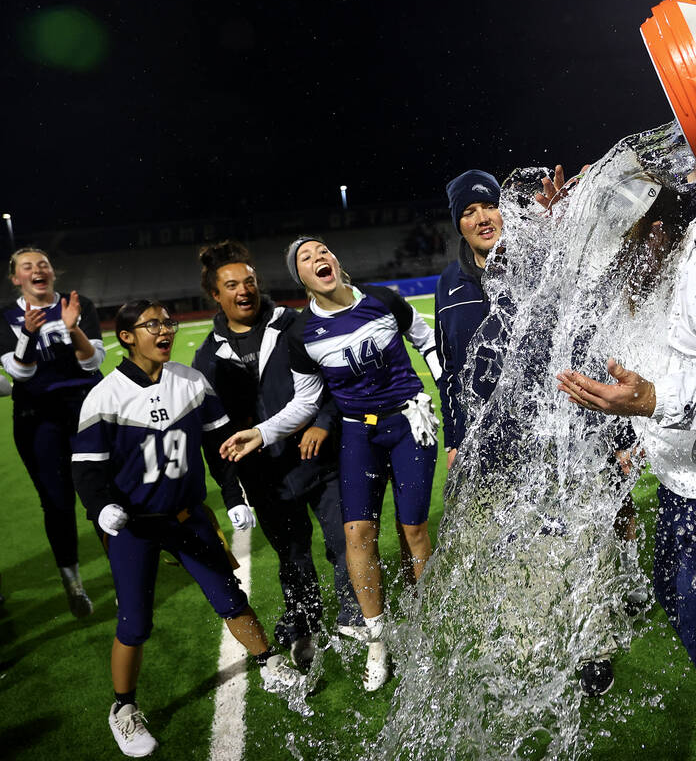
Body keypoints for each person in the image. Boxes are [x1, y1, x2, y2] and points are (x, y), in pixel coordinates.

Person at [556, 171, 696, 758]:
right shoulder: (657, 259)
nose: (618, 258)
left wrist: (653, 402)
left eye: (623, 241)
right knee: (693, 623)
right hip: (684, 490)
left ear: (655, 228)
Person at [70, 299, 305, 758]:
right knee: (134, 623)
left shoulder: (191, 382)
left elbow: (220, 446)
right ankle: (123, 707)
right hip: (134, 525)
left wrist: (234, 497)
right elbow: (87, 469)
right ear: (126, 336)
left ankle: (269, 661)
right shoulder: (105, 396)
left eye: (167, 322)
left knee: (229, 597)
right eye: (152, 324)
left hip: (186, 516)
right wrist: (101, 508)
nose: (165, 331)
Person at [220, 236, 442, 692]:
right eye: (306, 257)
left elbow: (426, 341)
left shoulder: (382, 299)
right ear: (299, 277)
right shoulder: (302, 335)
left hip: (407, 422)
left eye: (323, 251)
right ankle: (377, 639)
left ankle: (428, 629)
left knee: (414, 530)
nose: (318, 258)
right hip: (359, 431)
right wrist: (262, 431)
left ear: (336, 262)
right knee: (357, 532)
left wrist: (452, 393)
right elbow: (306, 403)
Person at [191, 240, 362, 666]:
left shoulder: (294, 323)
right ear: (215, 294)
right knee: (292, 558)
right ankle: (305, 624)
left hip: (322, 461)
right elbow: (214, 437)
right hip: (266, 478)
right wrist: (231, 495)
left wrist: (324, 422)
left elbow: (336, 381)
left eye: (249, 281)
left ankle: (355, 616)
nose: (243, 290)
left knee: (344, 542)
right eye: (231, 285)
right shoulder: (207, 358)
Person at [0, 247, 105, 618]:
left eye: (42, 264)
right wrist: (28, 334)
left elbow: (92, 361)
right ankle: (73, 582)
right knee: (57, 503)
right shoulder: (6, 317)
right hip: (37, 418)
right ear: (16, 278)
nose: (36, 270)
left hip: (86, 409)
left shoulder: (80, 304)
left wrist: (73, 326)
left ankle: (126, 573)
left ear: (52, 273)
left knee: (104, 494)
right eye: (27, 267)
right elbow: (22, 374)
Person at [435, 170, 505, 472]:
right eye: (469, 211)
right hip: (483, 438)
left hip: (546, 431)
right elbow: (450, 370)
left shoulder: (539, 267)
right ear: (459, 225)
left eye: (490, 206)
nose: (482, 218)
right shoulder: (447, 284)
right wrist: (453, 441)